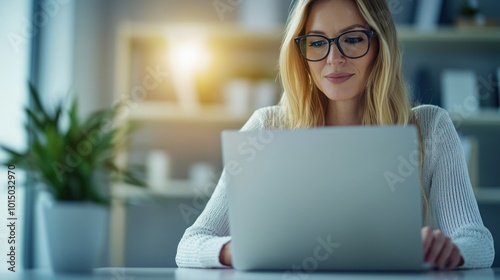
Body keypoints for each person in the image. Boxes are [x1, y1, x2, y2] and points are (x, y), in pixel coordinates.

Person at [176, 0, 494, 270]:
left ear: (379, 46)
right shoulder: (267, 129)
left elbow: (479, 242)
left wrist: (449, 250)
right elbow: (190, 245)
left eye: (352, 39)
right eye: (316, 42)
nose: (333, 59)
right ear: (301, 54)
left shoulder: (430, 128)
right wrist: (240, 250)